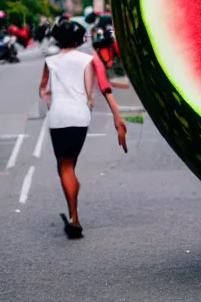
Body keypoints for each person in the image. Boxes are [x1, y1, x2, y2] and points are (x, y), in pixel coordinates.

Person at [38, 20, 127, 239]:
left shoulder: (50, 61)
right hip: (80, 117)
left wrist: (53, 104)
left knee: (65, 167)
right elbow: (105, 88)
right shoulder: (89, 59)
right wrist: (118, 119)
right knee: (70, 165)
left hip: (59, 117)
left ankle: (74, 219)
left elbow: (44, 90)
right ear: (79, 40)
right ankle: (72, 215)